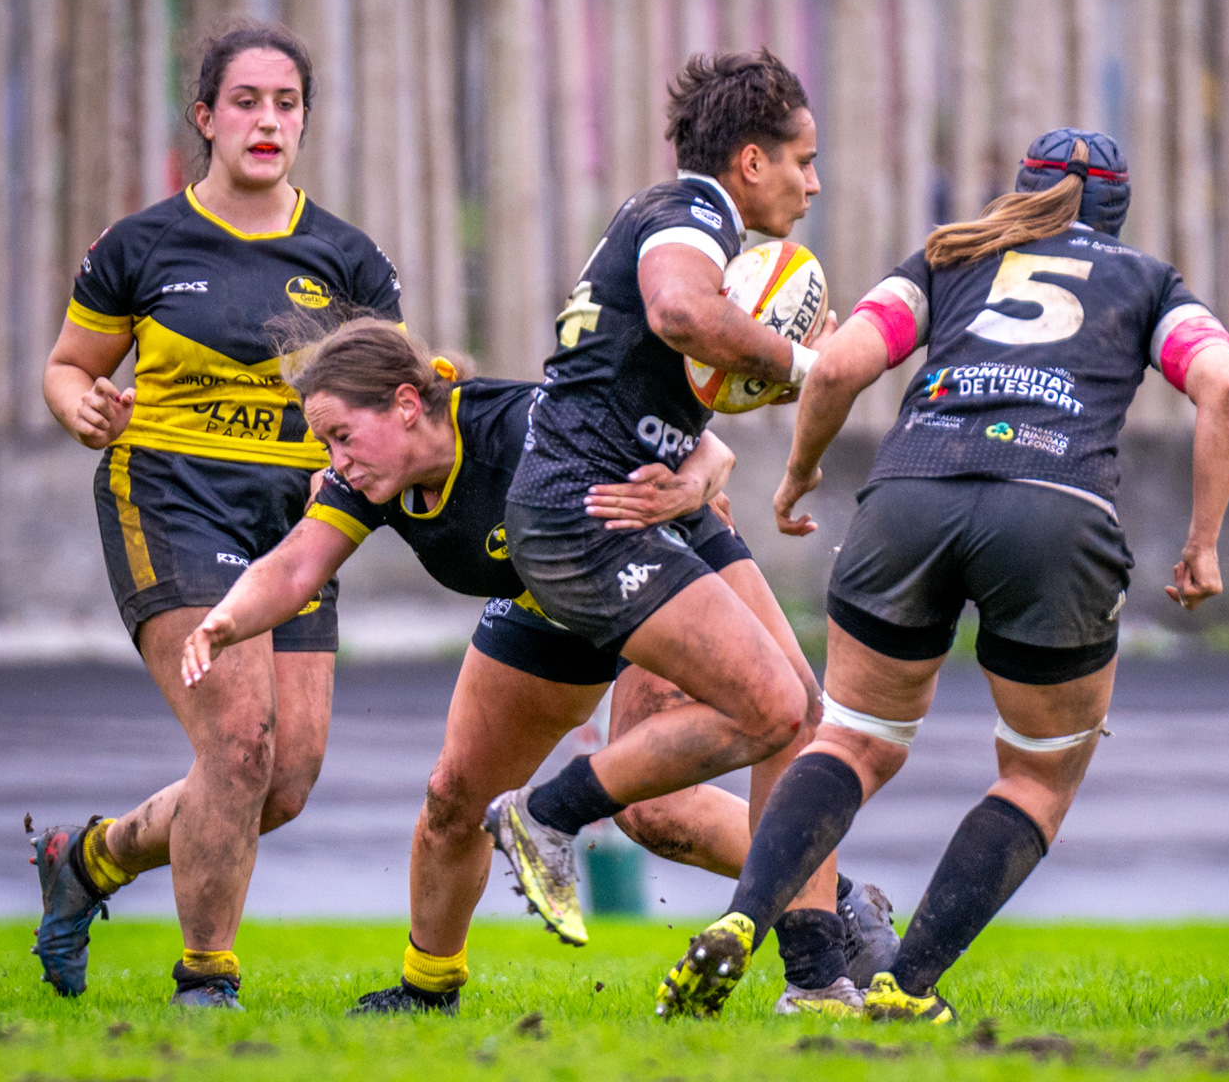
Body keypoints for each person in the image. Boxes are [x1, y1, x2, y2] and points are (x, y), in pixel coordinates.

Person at [656, 128, 1229, 1021]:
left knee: (851, 741)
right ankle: (907, 980)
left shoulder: (950, 255)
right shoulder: (1146, 280)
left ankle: (744, 922)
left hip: (911, 497)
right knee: (1037, 778)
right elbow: (1228, 391)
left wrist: (800, 473)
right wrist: (1203, 541)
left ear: (1021, 189)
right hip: (1055, 510)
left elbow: (842, 368)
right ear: (1117, 210)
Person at [177, 319, 897, 1014]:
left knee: (660, 807)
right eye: (327, 443)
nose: (336, 459)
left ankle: (824, 916)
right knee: (454, 795)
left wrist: (698, 473)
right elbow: (297, 563)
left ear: (404, 405)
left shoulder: (523, 423)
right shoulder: (369, 483)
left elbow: (702, 447)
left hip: (662, 563)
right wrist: (226, 620)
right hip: (550, 601)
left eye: (340, 434)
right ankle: (428, 989)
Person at [489, 48, 872, 1010]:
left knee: (806, 720)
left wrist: (714, 454)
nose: (815, 183)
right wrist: (801, 366)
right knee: (774, 710)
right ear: (751, 162)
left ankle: (817, 977)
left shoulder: (710, 232)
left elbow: (686, 374)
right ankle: (545, 812)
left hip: (656, 502)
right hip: (587, 511)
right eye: (802, 161)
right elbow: (678, 313)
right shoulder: (686, 213)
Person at [34, 22, 404, 1009]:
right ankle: (207, 983)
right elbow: (70, 369)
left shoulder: (349, 261)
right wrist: (84, 409)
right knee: (238, 744)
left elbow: (386, 408)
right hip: (169, 499)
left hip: (297, 523)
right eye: (246, 101)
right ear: (206, 117)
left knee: (280, 781)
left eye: (287, 103)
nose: (268, 120)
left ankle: (92, 859)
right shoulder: (142, 247)